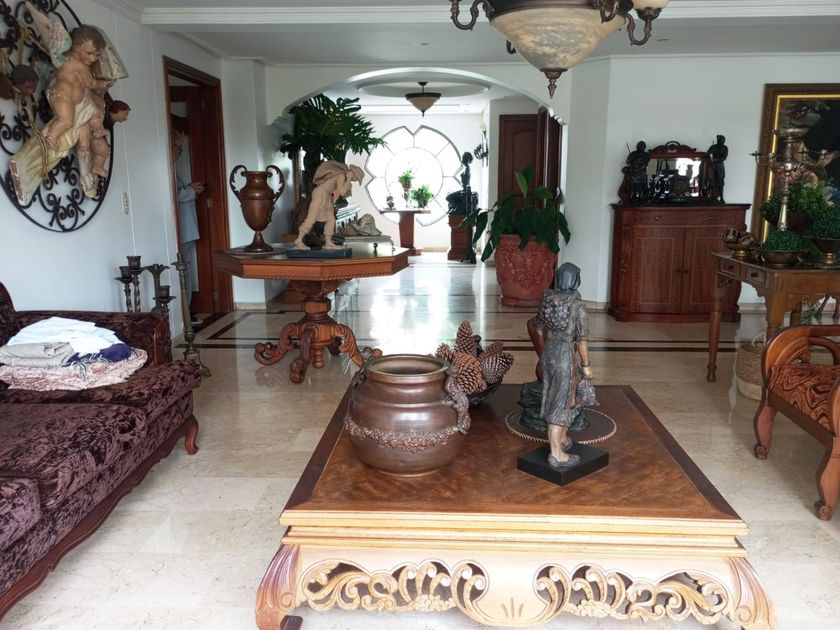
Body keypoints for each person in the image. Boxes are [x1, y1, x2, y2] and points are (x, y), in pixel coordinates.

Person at [10, 5, 127, 204]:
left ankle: (82, 171)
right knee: (65, 121)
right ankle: (48, 142)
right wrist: (101, 84)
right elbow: (91, 83)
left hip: (75, 100)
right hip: (64, 96)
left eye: (97, 56)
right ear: (77, 47)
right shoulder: (79, 66)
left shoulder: (71, 61)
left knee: (81, 129)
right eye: (90, 54)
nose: (93, 59)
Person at [531, 262, 594, 468]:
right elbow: (582, 341)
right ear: (576, 281)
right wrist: (586, 365)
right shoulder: (578, 307)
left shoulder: (547, 300)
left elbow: (537, 325)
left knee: (561, 397)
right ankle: (556, 454)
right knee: (561, 401)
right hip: (565, 354)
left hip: (549, 351)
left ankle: (563, 439)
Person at [294, 161, 364, 250]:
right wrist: (348, 180)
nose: (355, 180)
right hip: (320, 193)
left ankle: (328, 243)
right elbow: (342, 192)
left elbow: (338, 191)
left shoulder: (343, 177)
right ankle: (299, 240)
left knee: (330, 219)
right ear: (352, 174)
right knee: (311, 218)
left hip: (326, 195)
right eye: (356, 178)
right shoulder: (342, 176)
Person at [172, 131, 204, 303]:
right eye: (179, 148)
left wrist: (190, 189)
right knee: (183, 269)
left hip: (187, 230)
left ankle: (186, 307)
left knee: (186, 268)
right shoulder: (167, 169)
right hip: (182, 230)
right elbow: (174, 195)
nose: (180, 152)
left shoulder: (173, 170)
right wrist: (191, 189)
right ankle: (184, 309)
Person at [706, 135, 729, 202]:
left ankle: (721, 198)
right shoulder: (713, 147)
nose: (721, 141)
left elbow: (724, 157)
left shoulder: (725, 148)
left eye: (722, 140)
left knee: (720, 183)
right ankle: (711, 197)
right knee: (712, 182)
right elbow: (707, 154)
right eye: (720, 140)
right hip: (713, 166)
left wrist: (715, 159)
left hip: (720, 166)